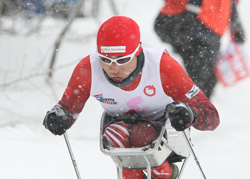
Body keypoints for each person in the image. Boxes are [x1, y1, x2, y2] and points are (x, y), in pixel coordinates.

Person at [43, 16, 220, 179]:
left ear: (137, 51)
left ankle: (166, 174)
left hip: (165, 131)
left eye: (122, 60)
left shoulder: (163, 67)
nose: (114, 68)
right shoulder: (88, 69)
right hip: (119, 128)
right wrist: (57, 118)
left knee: (141, 133)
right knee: (116, 133)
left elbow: (211, 116)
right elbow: (67, 109)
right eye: (105, 59)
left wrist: (191, 114)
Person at [154, 0, 246, 99]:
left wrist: (237, 27)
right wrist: (191, 11)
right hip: (199, 29)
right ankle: (193, 106)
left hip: (207, 30)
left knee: (206, 79)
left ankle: (196, 106)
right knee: (202, 80)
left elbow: (230, 4)